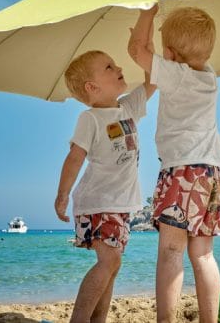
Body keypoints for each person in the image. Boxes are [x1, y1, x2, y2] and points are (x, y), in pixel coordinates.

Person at [128, 5, 220, 323]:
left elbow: (136, 50)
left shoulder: (175, 75)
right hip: (214, 173)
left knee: (171, 251)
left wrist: (146, 14)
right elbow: (151, 61)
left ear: (170, 53)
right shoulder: (209, 76)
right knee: (204, 254)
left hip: (183, 172)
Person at [54, 49, 154, 323]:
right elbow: (75, 158)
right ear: (92, 87)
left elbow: (153, 80)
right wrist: (62, 195)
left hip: (121, 205)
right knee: (109, 262)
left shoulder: (128, 108)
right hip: (99, 201)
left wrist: (148, 53)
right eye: (109, 67)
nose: (118, 67)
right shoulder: (90, 119)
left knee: (113, 266)